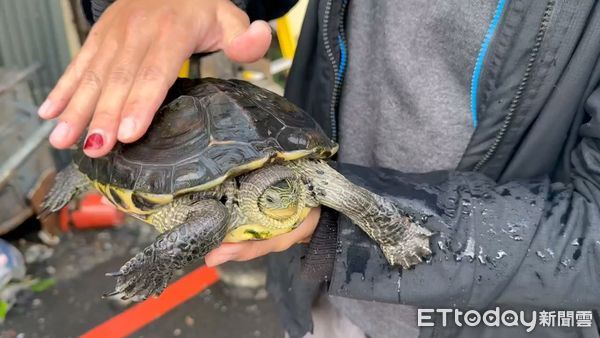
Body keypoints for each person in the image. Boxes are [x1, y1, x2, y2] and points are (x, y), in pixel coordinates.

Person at [39, 0, 600, 337]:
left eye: (289, 195)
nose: (295, 199)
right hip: (319, 299)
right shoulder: (295, 180)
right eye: (287, 197)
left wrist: (397, 232)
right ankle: (79, 173)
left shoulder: (307, 185)